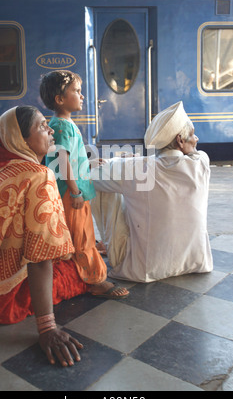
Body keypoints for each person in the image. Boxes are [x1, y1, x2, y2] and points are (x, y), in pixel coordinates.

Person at [0, 105, 91, 367]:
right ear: (21, 141)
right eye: (40, 126)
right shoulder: (39, 176)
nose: (50, 129)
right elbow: (41, 257)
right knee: (83, 270)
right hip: (5, 303)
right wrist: (47, 329)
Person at [91, 101, 213, 283]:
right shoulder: (201, 163)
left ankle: (110, 248)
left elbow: (91, 178)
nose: (196, 140)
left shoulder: (137, 168)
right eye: (193, 135)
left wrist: (112, 163)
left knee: (105, 186)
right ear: (180, 140)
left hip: (144, 269)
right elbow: (174, 160)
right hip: (197, 262)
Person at [40, 70, 129, 299]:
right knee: (82, 236)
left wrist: (87, 164)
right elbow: (62, 159)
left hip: (73, 190)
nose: (82, 96)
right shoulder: (63, 126)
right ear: (60, 99)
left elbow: (69, 159)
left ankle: (83, 272)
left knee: (80, 233)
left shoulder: (62, 123)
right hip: (72, 194)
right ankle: (95, 280)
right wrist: (75, 190)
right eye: (77, 92)